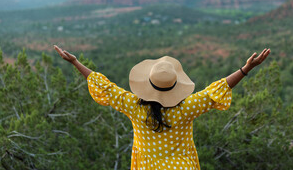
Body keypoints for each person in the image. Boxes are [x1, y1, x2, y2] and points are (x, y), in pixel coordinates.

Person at [54, 45, 271, 170]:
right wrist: (245, 69)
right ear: (176, 86)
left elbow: (104, 86)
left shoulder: (133, 106)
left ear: (147, 85)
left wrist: (75, 62)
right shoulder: (187, 108)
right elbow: (218, 88)